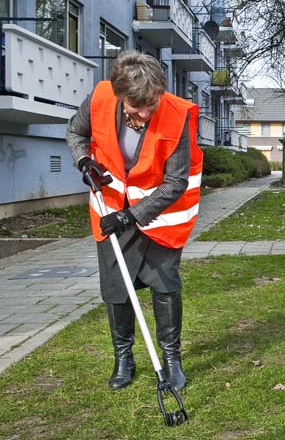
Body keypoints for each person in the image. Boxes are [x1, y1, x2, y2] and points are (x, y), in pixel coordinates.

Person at [66, 51, 203, 390]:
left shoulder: (177, 114)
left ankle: (172, 360)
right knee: (117, 286)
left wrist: (132, 216)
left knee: (165, 282)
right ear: (119, 94)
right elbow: (75, 133)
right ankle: (123, 358)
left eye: (150, 106)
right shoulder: (99, 98)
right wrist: (85, 162)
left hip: (160, 214)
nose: (144, 114)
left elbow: (176, 181)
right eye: (135, 107)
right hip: (111, 207)